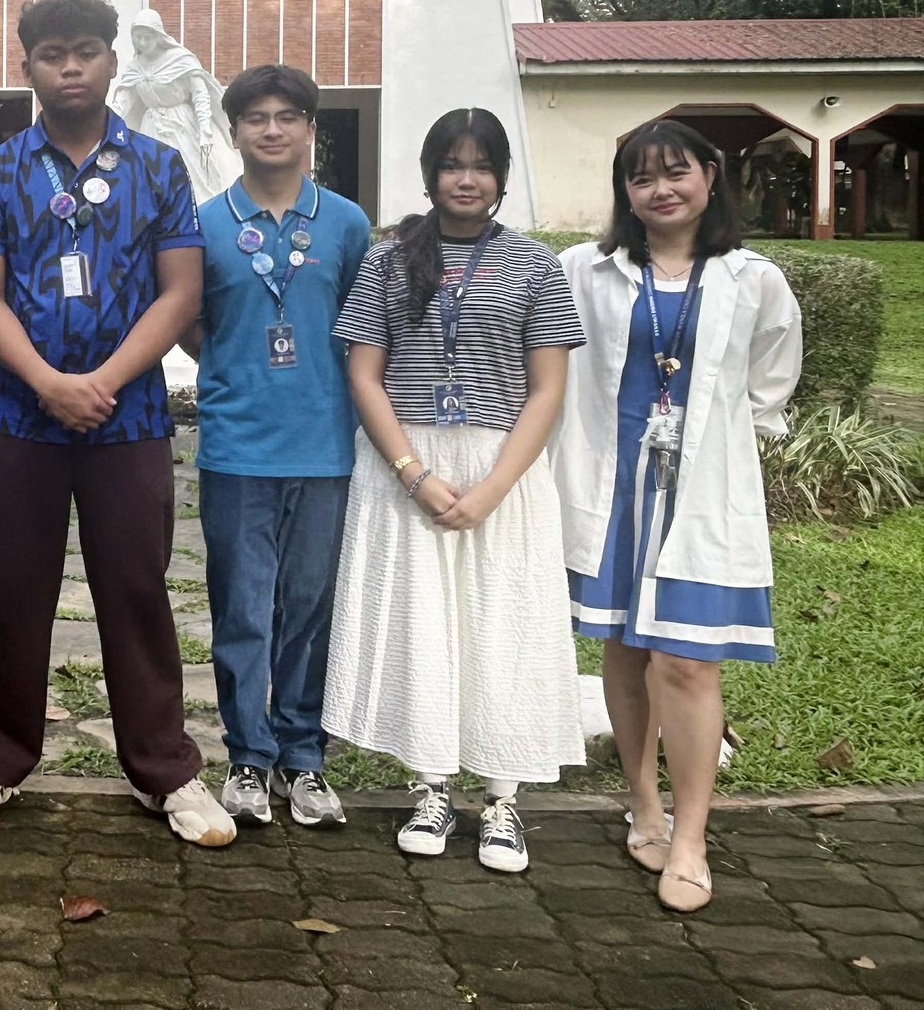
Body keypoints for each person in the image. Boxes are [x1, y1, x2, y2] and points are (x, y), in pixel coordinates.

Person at [0, 0, 232, 849]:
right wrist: (46, 382)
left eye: (86, 51)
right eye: (52, 54)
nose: (70, 67)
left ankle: (164, 767)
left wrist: (100, 380)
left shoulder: (158, 167)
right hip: (19, 418)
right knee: (10, 588)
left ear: (112, 60)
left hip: (128, 416)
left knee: (138, 589)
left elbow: (180, 291)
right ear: (27, 66)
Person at [323, 108, 586, 873]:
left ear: (501, 176)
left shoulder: (535, 265)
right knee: (423, 626)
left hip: (503, 469)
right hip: (405, 466)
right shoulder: (387, 260)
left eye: (481, 164)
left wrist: (494, 487)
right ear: (429, 173)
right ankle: (431, 786)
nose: (466, 179)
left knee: (501, 624)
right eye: (451, 163)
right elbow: (364, 374)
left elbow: (548, 390)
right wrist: (414, 474)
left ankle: (502, 799)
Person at [550, 120, 801, 913]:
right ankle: (644, 805)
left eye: (676, 171)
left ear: (710, 176)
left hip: (700, 494)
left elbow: (770, 382)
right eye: (641, 177)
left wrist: (719, 442)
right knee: (625, 651)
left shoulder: (753, 279)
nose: (660, 189)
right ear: (624, 192)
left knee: (689, 662)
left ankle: (691, 836)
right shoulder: (585, 269)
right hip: (613, 488)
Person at [185, 64, 373, 830]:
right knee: (241, 608)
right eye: (256, 117)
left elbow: (363, 326)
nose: (272, 129)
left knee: (310, 606)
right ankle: (247, 755)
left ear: (310, 130)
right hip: (237, 446)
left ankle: (304, 755)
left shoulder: (347, 223)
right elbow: (191, 321)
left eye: (287, 116)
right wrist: (234, 374)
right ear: (234, 132)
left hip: (324, 444)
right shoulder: (204, 223)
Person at [108, 9, 239, 202]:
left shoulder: (180, 59)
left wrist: (205, 132)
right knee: (151, 175)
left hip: (184, 126)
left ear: (158, 36)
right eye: (138, 37)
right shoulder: (134, 68)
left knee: (193, 175)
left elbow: (200, 95)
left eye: (147, 37)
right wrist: (106, 128)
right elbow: (122, 102)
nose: (142, 42)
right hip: (152, 129)